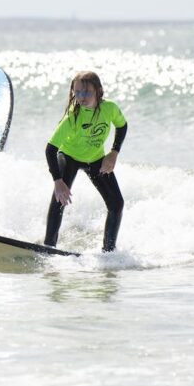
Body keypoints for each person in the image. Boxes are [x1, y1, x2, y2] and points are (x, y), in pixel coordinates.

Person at [43, 71, 128, 252]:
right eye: (77, 92)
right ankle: (49, 247)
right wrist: (58, 182)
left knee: (116, 204)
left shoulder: (110, 109)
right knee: (60, 200)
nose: (81, 97)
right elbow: (50, 149)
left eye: (87, 92)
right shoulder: (72, 118)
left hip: (96, 159)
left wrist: (114, 152)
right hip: (69, 157)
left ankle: (108, 253)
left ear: (99, 91)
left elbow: (122, 125)